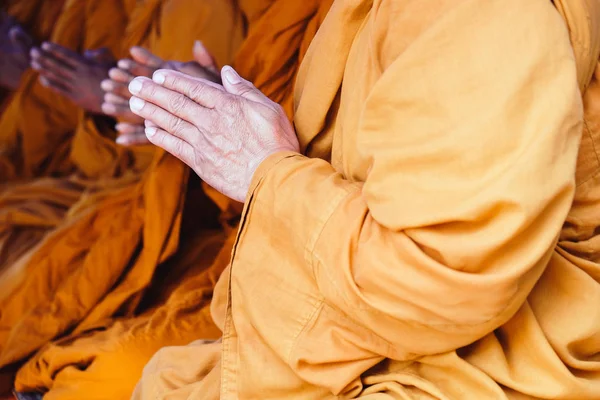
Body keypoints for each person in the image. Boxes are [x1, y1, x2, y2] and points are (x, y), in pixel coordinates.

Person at [128, 0, 600, 398]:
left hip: (485, 346)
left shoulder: (487, 14)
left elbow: (437, 280)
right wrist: (222, 130)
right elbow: (334, 150)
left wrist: (262, 170)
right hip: (348, 294)